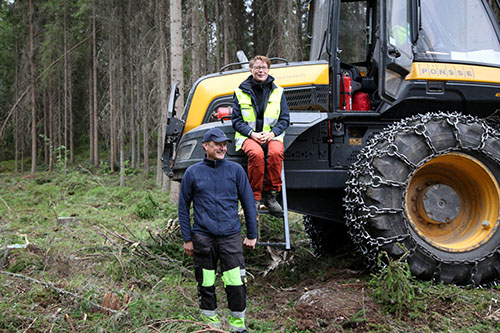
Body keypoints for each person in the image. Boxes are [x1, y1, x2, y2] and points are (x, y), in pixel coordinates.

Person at [178, 127, 257, 333]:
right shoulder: (192, 173)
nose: (223, 147)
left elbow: (248, 203)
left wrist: (252, 234)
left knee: (236, 284)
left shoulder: (236, 171)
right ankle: (210, 325)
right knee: (206, 283)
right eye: (218, 144)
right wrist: (187, 239)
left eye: (224, 144)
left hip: (230, 238)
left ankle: (237, 327)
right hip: (203, 238)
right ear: (206, 146)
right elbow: (183, 208)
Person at [232, 55, 290, 216]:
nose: (261, 71)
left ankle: (271, 197)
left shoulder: (278, 92)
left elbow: (285, 119)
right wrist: (252, 134)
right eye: (257, 67)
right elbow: (236, 121)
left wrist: (272, 133)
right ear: (251, 70)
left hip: (272, 136)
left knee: (276, 153)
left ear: (268, 70)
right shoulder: (240, 91)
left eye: (264, 67)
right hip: (249, 137)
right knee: (256, 155)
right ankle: (255, 198)